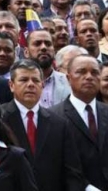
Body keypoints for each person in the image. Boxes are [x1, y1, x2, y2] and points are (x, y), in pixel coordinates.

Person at [1, 59, 85, 191]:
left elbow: (72, 171)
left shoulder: (59, 123)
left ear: (43, 85)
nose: (30, 84)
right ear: (11, 85)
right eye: (24, 80)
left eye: (35, 80)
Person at [52, 55, 108, 190]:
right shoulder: (54, 117)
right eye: (81, 72)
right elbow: (57, 164)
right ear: (68, 78)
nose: (89, 77)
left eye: (95, 72)